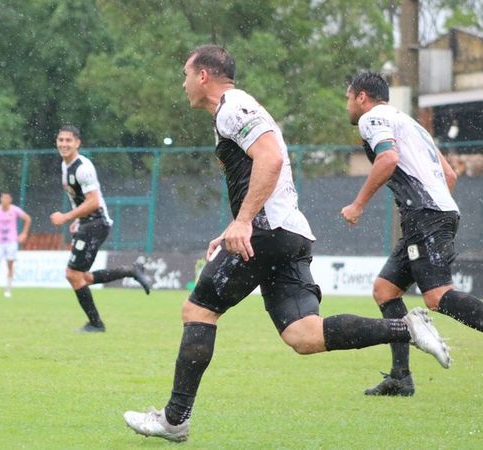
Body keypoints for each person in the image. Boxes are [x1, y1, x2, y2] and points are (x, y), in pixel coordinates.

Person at [123, 45, 450, 443]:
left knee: (198, 310)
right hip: (287, 232)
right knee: (304, 335)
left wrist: (245, 221)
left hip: (268, 231)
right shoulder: (235, 110)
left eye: (186, 74)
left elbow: (271, 159)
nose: (183, 83)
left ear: (204, 75)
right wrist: (235, 224)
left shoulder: (232, 106)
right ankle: (405, 328)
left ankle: (174, 421)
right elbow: (261, 172)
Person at [342, 72, 483, 396]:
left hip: (426, 216)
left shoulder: (372, 118)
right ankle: (400, 377)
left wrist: (358, 204)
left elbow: (388, 158)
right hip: (435, 212)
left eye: (348, 97)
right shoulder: (410, 123)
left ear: (362, 96)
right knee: (385, 290)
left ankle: (401, 376)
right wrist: (433, 208)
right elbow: (449, 174)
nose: (348, 105)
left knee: (436, 297)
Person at [50, 125, 152, 333]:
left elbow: (94, 202)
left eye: (68, 140)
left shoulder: (82, 168)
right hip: (88, 223)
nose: (64, 144)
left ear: (77, 143)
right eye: (61, 140)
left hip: (96, 223)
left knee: (73, 275)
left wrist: (67, 217)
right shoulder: (65, 165)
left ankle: (96, 324)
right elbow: (78, 198)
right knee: (81, 277)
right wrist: (77, 219)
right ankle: (131, 271)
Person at [0, 192, 32, 298]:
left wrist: (24, 233)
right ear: (0, 199)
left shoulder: (15, 210)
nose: (4, 199)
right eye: (3, 197)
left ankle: (8, 290)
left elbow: (28, 219)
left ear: (10, 199)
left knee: (10, 265)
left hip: (11, 242)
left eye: (7, 198)